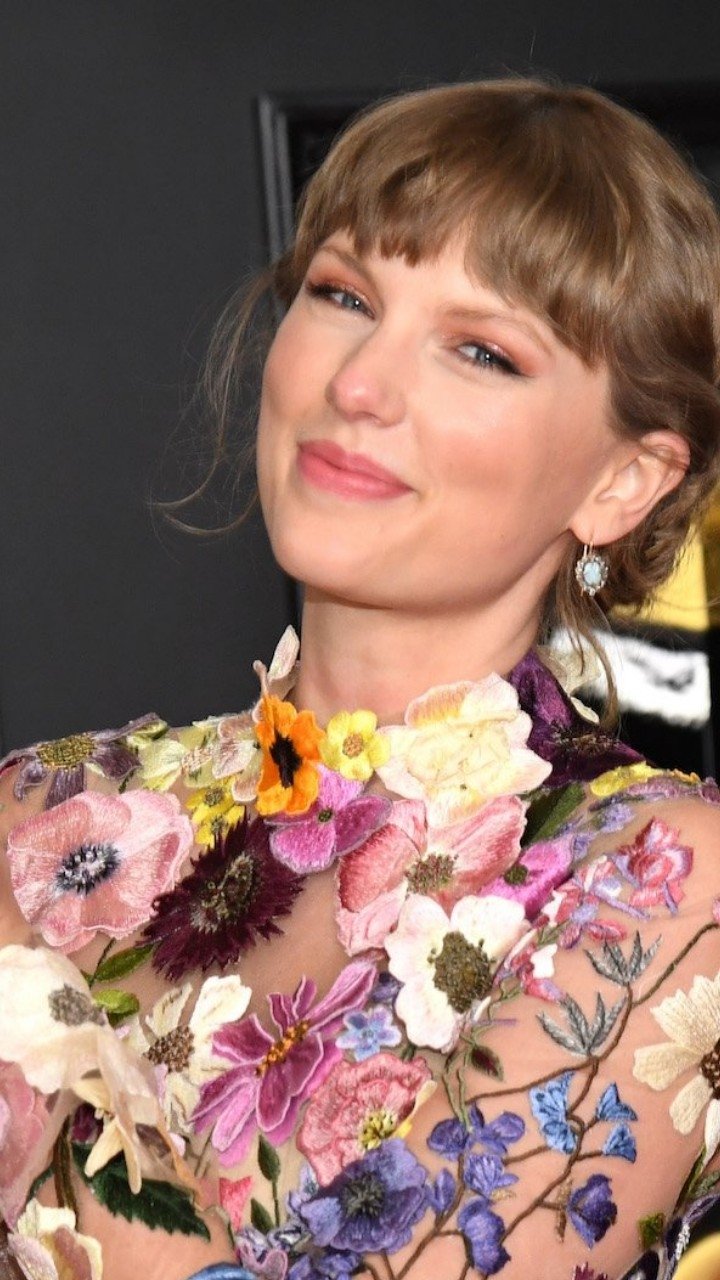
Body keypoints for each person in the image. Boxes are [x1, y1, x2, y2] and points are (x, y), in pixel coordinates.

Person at [2, 76, 720, 1280]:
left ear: (623, 481)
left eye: (481, 351)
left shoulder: (660, 878)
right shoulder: (50, 812)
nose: (359, 384)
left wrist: (30, 1009)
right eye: (344, 295)